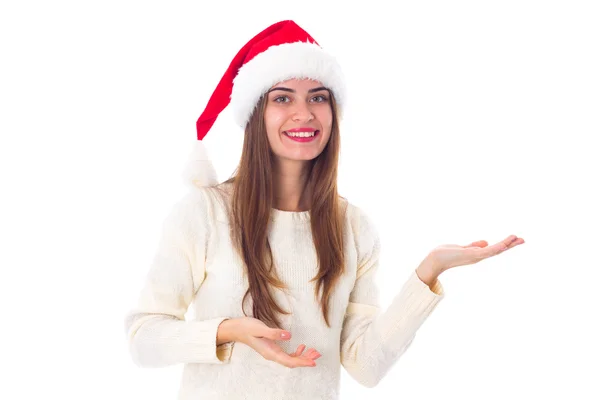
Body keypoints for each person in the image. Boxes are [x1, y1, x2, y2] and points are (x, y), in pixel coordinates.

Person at [123, 20, 525, 400]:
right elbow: (143, 337)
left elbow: (366, 364)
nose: (304, 113)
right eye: (282, 98)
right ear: (255, 114)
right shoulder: (205, 214)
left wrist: (429, 271)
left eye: (318, 97)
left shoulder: (353, 227)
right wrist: (229, 331)